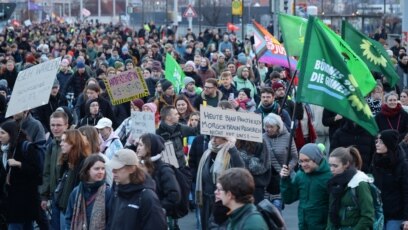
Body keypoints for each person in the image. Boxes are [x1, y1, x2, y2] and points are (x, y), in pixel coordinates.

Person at [106, 149, 167, 230]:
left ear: (132, 169)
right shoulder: (116, 190)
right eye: (113, 167)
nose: (113, 171)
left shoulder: (147, 196)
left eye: (118, 168)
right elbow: (111, 221)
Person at [0, 121, 43, 229]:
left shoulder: (26, 147)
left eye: (2, 133)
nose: (0, 136)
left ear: (11, 134)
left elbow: (36, 171)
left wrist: (19, 164)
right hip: (10, 201)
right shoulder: (4, 150)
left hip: (24, 201)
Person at [195, 135, 244, 230]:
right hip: (206, 199)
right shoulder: (208, 152)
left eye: (217, 137)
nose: (213, 139)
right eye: (212, 136)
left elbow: (241, 170)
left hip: (223, 201)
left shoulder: (231, 152)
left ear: (225, 139)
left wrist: (233, 150)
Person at [280, 143, 332, 230]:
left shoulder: (329, 177)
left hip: (322, 226)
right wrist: (285, 180)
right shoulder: (300, 175)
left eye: (307, 160)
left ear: (317, 159)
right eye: (301, 161)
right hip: (303, 225)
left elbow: (335, 206)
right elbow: (288, 199)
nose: (303, 164)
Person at [136, 133, 181, 230]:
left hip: (158, 218)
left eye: (141, 145)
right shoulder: (139, 166)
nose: (138, 148)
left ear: (150, 148)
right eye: (138, 145)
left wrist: (156, 207)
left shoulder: (164, 169)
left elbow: (174, 195)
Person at [327, 147, 374, 229]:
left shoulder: (360, 183)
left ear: (346, 164)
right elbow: (331, 213)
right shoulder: (335, 182)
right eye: (330, 165)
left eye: (335, 166)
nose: (331, 169)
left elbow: (368, 216)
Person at [372, 129, 408, 230]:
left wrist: (407, 218)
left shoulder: (402, 165)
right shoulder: (376, 161)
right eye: (377, 141)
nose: (377, 144)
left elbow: (406, 192)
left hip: (396, 215)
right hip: (378, 213)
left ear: (389, 144)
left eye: (381, 142)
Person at [56, 130, 92, 228]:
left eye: (64, 141)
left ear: (73, 143)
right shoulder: (67, 161)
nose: (61, 144)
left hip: (75, 212)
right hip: (64, 208)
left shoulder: (84, 163)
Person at [262, 113, 298, 211]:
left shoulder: (288, 137)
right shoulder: (262, 137)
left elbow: (295, 158)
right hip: (266, 180)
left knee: (276, 211)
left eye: (271, 127)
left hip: (280, 179)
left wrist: (287, 169)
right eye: (266, 127)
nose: (268, 129)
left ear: (278, 127)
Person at [40, 111, 69, 229]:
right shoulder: (51, 145)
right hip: (54, 196)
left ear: (66, 125)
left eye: (59, 125)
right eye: (52, 125)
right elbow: (46, 172)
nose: (55, 128)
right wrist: (44, 196)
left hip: (66, 198)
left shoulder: (71, 144)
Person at [65, 154, 111, 230]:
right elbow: (68, 217)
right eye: (96, 169)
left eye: (103, 169)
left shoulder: (108, 192)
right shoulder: (76, 192)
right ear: (87, 170)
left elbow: (110, 221)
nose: (101, 172)